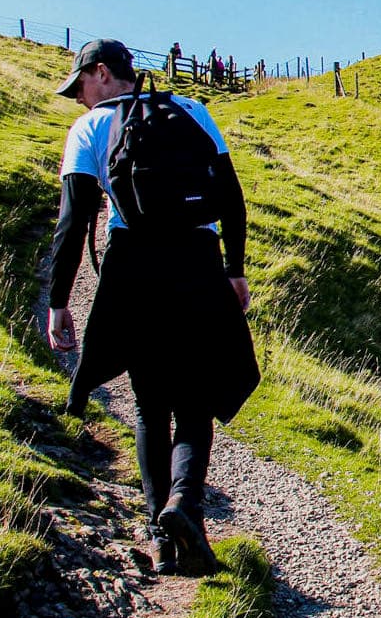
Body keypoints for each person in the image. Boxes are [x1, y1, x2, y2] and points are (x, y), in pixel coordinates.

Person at [47, 39, 259, 577]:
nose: (79, 100)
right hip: (196, 258)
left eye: (80, 87)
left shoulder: (91, 129)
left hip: (134, 265)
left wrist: (58, 301)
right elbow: (231, 197)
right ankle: (185, 506)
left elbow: (74, 223)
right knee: (195, 399)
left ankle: (159, 537)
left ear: (100, 73)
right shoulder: (189, 109)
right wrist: (233, 269)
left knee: (149, 403)